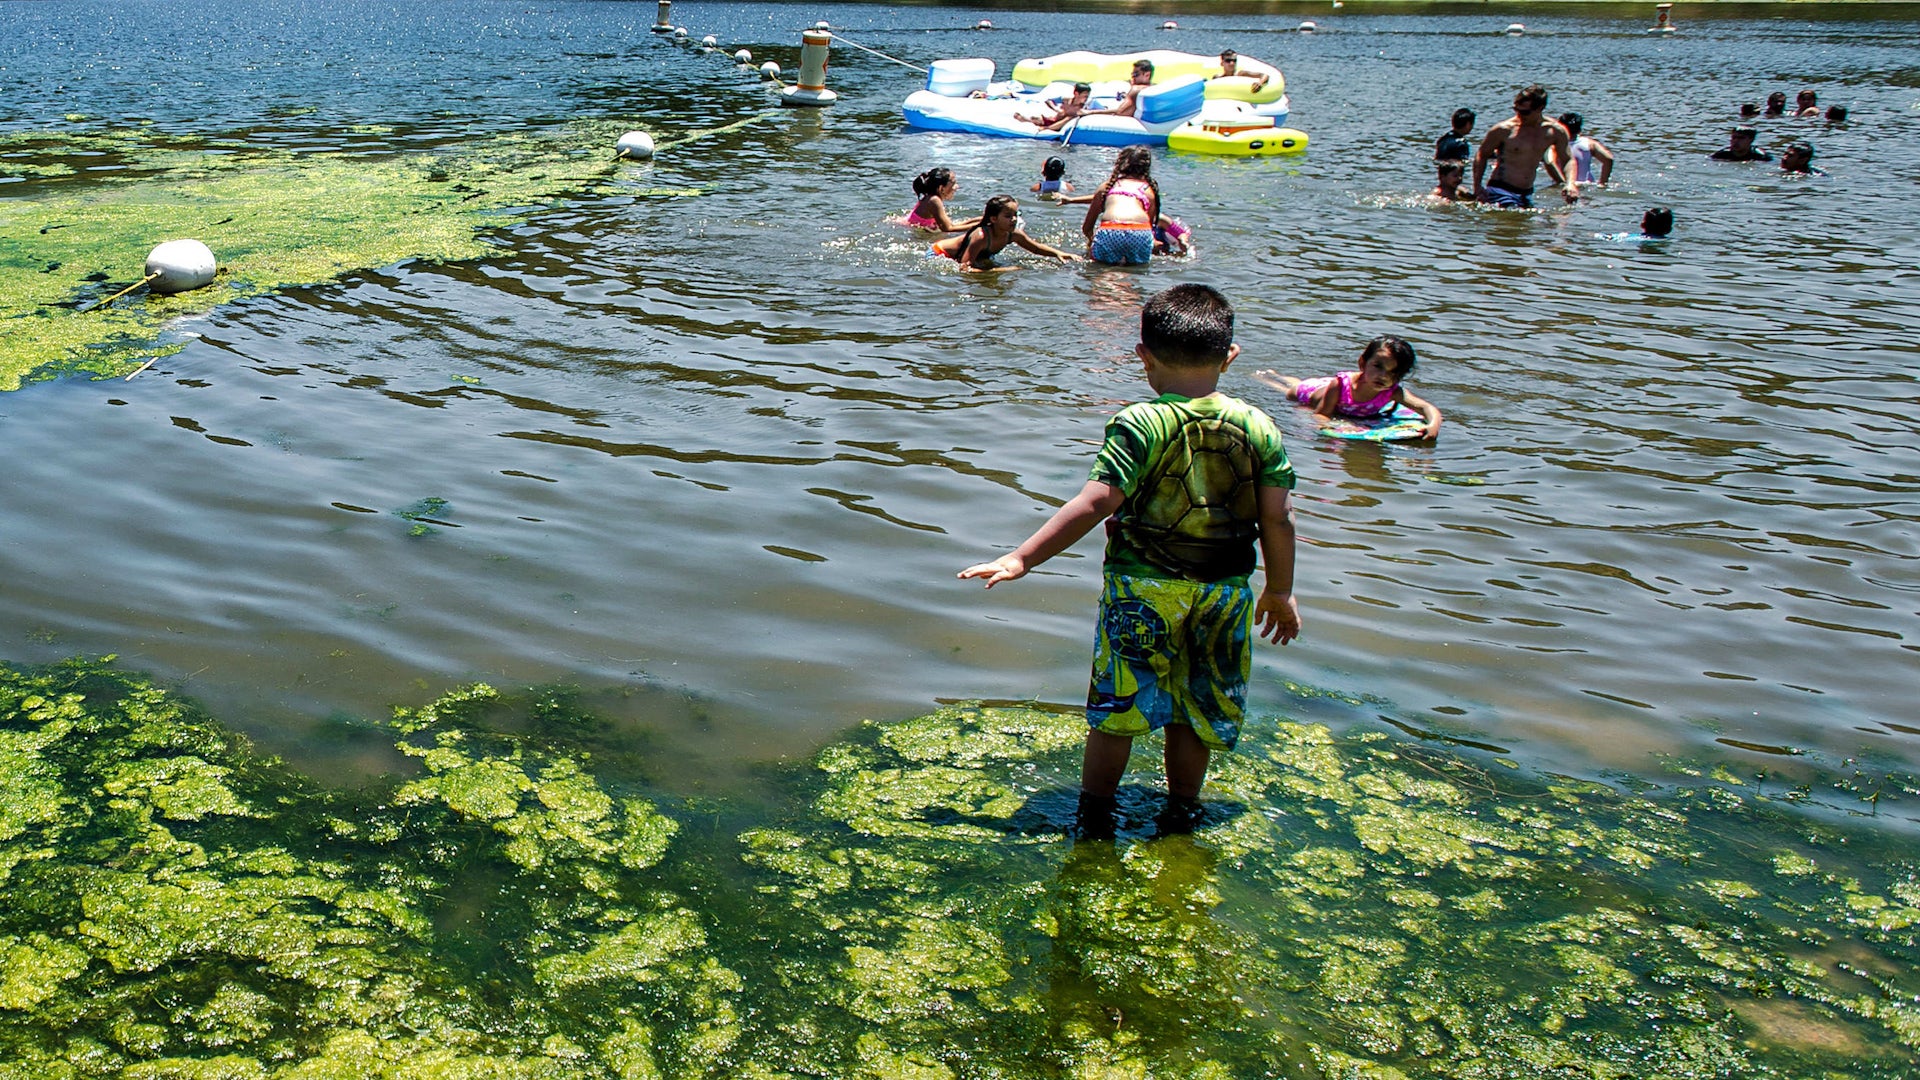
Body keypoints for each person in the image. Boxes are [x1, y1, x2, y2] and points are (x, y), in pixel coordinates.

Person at [958, 284, 1300, 836]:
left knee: (1119, 708)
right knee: (1195, 707)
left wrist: (1023, 558)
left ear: (1143, 353)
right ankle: (1182, 809)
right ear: (1230, 356)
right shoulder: (1259, 426)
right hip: (1225, 591)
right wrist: (1280, 591)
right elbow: (1277, 519)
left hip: (1142, 589)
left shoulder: (1139, 421)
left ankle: (1094, 814)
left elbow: (1098, 501)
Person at [1252, 335, 1442, 440]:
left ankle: (1278, 376)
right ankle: (1267, 376)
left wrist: (1433, 425)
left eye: (1393, 373)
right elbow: (1320, 414)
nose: (1383, 376)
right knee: (1288, 389)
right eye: (1378, 367)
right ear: (1362, 363)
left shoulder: (1393, 392)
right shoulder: (1340, 385)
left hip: (1331, 392)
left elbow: (1427, 408)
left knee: (1295, 383)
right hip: (1313, 393)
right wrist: (1338, 429)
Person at [1473, 84, 1577, 208]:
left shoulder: (1555, 131)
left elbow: (1568, 159)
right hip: (1500, 189)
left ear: (1540, 108)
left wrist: (1570, 183)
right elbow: (1481, 155)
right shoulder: (1503, 130)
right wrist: (1478, 186)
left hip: (1526, 193)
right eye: (1516, 110)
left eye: (1524, 112)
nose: (1519, 115)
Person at [932, 195, 1081, 271]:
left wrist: (1059, 254)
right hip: (939, 253)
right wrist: (1003, 270)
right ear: (993, 218)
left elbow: (1035, 248)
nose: (1014, 220)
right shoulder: (981, 237)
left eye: (1016, 215)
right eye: (1008, 216)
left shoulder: (1013, 234)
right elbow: (964, 268)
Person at [1081, 146, 1160, 265]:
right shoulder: (1148, 190)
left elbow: (1087, 228)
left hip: (1111, 230)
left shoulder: (1107, 187)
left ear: (1120, 164)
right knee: (1133, 274)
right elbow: (1149, 226)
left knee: (1099, 270)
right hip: (1140, 232)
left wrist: (1091, 243)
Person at [904, 168, 979, 232]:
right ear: (941, 188)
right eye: (953, 183)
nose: (957, 187)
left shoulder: (929, 197)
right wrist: (980, 226)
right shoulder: (934, 201)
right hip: (910, 231)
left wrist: (982, 220)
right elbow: (948, 228)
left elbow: (951, 225)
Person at [1556, 113, 1614, 185]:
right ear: (1579, 129)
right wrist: (1603, 182)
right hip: (1585, 184)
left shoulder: (1554, 145)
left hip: (1563, 184)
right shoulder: (1589, 144)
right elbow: (1608, 159)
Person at [1084, 59, 1154, 119]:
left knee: (1092, 103)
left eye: (1136, 74)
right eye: (1132, 74)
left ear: (1147, 75)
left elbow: (1120, 112)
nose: (1133, 77)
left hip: (1122, 122)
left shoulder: (1136, 90)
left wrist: (1090, 112)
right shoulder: (1151, 89)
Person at [1018, 83, 1092, 132]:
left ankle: (1046, 128)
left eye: (1087, 96)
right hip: (1054, 120)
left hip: (1059, 125)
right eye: (1085, 96)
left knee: (1069, 117)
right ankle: (1026, 120)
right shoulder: (1066, 100)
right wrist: (1056, 109)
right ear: (1076, 94)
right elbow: (1048, 101)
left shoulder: (1085, 106)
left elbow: (1100, 110)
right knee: (1035, 118)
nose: (1086, 98)